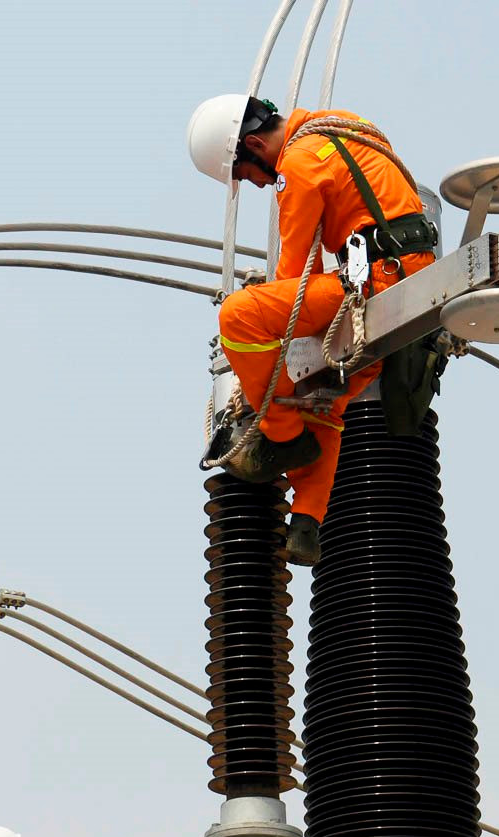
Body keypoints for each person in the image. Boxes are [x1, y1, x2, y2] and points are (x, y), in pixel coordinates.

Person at [187, 95, 438, 565]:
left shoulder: (298, 165)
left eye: (247, 174)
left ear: (256, 145)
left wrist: (268, 308)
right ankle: (306, 523)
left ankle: (282, 437)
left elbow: (294, 273)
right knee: (323, 396)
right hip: (399, 277)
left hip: (377, 280)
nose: (258, 185)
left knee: (238, 317)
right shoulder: (342, 124)